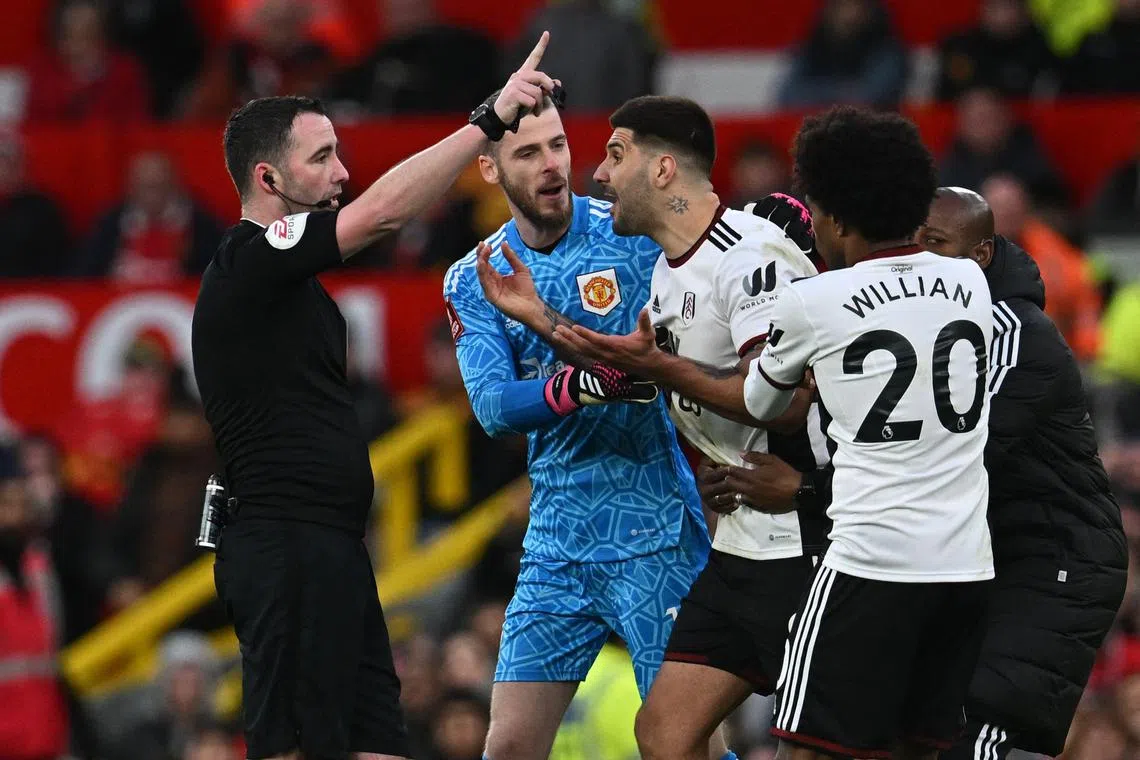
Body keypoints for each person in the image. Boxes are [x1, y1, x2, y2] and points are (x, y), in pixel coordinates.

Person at [553, 106, 996, 760]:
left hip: (848, 552)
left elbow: (765, 401)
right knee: (672, 732)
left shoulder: (813, 302)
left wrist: (653, 365)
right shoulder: (968, 283)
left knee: (818, 747)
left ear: (840, 218)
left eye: (815, 211)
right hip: (957, 555)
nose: (807, 226)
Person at [191, 32, 559, 760]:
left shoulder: (292, 289)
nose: (343, 172)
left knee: (376, 742)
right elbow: (385, 212)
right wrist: (487, 121)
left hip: (332, 549)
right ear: (269, 179)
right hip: (285, 544)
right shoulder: (246, 262)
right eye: (322, 157)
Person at [473, 95, 834, 760]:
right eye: (530, 152)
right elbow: (629, 373)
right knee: (643, 736)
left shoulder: (731, 253)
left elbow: (777, 400)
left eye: (577, 149)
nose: (583, 171)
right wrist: (544, 324)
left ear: (662, 169)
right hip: (636, 538)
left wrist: (806, 484)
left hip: (733, 535)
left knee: (825, 738)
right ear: (491, 170)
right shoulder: (655, 272)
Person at [441, 96, 716, 759]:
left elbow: (654, 373)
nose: (552, 165)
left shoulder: (630, 235)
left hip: (655, 531)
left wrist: (573, 359)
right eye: (528, 152)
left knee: (680, 747)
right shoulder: (475, 277)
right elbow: (493, 407)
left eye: (559, 146)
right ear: (489, 167)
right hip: (557, 542)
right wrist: (586, 383)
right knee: (507, 748)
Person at [915, 187, 1128, 760]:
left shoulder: (1013, 330)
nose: (918, 257)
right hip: (988, 548)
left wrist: (810, 489)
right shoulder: (922, 320)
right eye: (911, 241)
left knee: (984, 727)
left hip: (1055, 554)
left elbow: (966, 449)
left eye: (935, 243)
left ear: (980, 253)